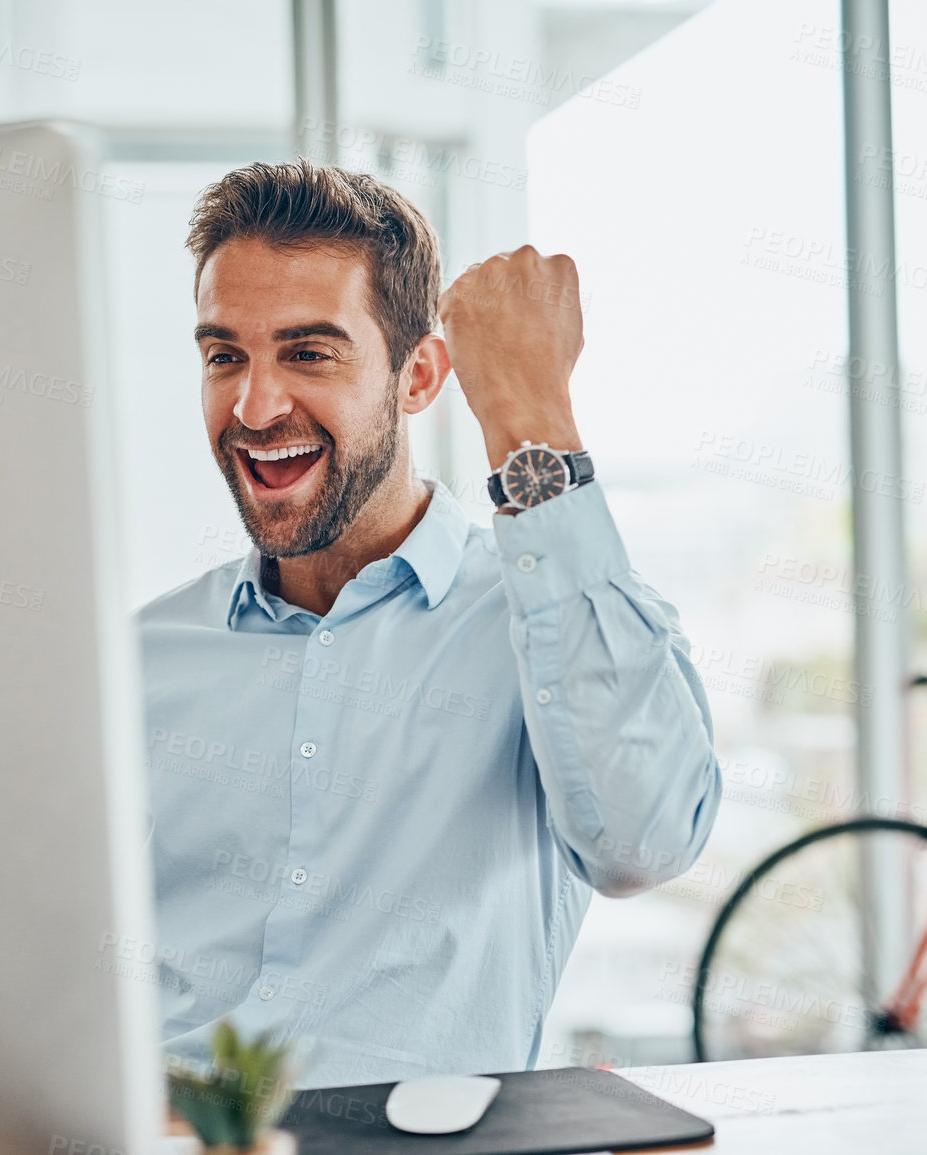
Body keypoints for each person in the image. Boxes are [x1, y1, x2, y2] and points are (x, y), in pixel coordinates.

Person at [136, 159, 721, 1090]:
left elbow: (643, 843)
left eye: (308, 352)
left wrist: (530, 416)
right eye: (224, 355)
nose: (253, 406)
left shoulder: (546, 625)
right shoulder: (137, 661)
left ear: (418, 377)